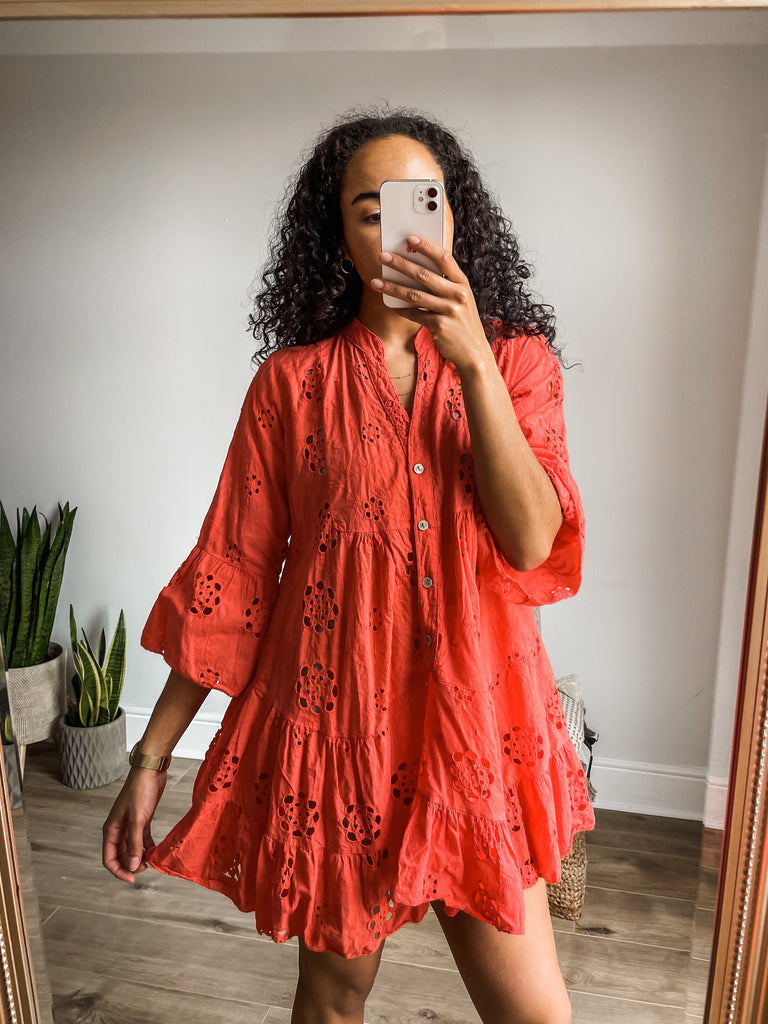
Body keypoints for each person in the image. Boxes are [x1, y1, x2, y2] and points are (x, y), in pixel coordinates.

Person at [102, 108, 594, 1024]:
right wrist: (150, 759)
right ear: (338, 237)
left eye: (424, 201)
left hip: (479, 737)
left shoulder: (519, 366)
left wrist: (473, 363)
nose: (403, 226)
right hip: (338, 739)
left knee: (535, 1013)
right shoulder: (290, 388)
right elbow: (232, 583)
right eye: (372, 209)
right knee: (334, 996)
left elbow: (533, 541)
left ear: (455, 217)